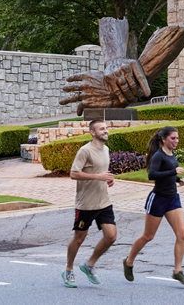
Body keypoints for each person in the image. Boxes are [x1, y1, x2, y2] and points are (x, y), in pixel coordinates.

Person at [124, 125, 184, 286]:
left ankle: (177, 271)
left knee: (182, 234)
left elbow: (167, 173)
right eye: (173, 138)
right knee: (148, 236)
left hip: (172, 198)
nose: (176, 141)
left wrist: (176, 180)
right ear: (164, 139)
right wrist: (173, 173)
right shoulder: (158, 156)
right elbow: (152, 175)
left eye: (177, 138)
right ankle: (129, 261)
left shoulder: (172, 154)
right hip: (158, 199)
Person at [63, 120, 117, 288]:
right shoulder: (85, 151)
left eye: (106, 128)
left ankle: (89, 264)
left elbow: (101, 172)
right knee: (79, 238)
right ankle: (69, 269)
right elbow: (73, 174)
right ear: (93, 133)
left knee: (111, 236)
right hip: (86, 203)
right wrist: (98, 177)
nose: (106, 131)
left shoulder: (106, 149)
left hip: (103, 201)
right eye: (102, 129)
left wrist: (107, 179)